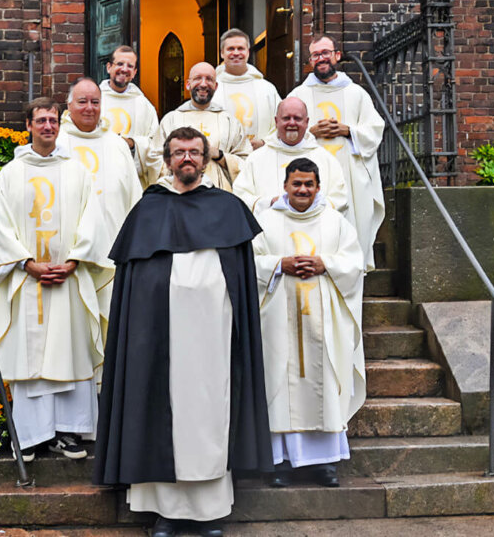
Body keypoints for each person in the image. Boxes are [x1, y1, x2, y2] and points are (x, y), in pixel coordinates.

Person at [94, 127, 271, 537]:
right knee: (158, 406)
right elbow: (134, 284)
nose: (187, 159)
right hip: (157, 334)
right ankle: (166, 512)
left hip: (213, 334)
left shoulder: (228, 208)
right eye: (179, 153)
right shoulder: (147, 210)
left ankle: (208, 511)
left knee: (209, 413)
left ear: (206, 159)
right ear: (168, 160)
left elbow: (242, 281)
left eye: (194, 152)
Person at [0, 98, 113, 462]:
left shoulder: (77, 171)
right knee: (31, 357)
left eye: (53, 120)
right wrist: (25, 263)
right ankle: (33, 436)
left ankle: (68, 434)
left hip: (68, 280)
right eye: (42, 120)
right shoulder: (10, 173)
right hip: (27, 282)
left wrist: (73, 261)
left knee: (70, 352)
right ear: (28, 125)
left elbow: (92, 219)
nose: (49, 126)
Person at [253, 158, 366, 489]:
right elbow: (249, 259)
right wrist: (279, 264)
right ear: (285, 186)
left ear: (319, 187)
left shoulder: (336, 222)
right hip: (276, 319)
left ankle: (325, 463)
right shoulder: (265, 221)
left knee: (324, 382)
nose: (302, 190)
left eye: (309, 184)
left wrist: (324, 264)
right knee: (278, 381)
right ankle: (281, 462)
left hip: (323, 322)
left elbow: (354, 263)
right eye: (296, 184)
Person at [287, 37, 385, 271]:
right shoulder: (298, 95)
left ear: (337, 55)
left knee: (352, 223)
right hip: (312, 175)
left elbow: (374, 129)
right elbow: (283, 133)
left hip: (350, 174)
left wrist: (348, 130)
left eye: (325, 53)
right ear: (310, 61)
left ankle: (351, 273)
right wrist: (311, 131)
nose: (321, 58)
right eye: (315, 55)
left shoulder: (356, 94)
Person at [232, 97, 348, 217]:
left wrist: (309, 206)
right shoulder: (256, 159)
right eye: (286, 118)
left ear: (307, 122)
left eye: (297, 118)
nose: (292, 123)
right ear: (276, 121)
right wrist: (270, 203)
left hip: (313, 231)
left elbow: (340, 199)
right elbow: (240, 196)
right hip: (270, 231)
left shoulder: (326, 159)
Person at [60, 76, 142, 235]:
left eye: (95, 102)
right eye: (82, 102)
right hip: (67, 250)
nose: (89, 108)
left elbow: (134, 196)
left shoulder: (117, 145)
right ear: (69, 104)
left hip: (112, 242)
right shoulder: (56, 144)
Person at [154, 62, 248, 191]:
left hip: (219, 195)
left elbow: (247, 163)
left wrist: (219, 155)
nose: (203, 84)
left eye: (209, 79)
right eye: (198, 78)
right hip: (179, 194)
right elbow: (155, 161)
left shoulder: (229, 121)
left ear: (215, 86)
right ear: (188, 84)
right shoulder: (171, 119)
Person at [97, 45, 162, 187]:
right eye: (119, 64)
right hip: (99, 177)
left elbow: (156, 145)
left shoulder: (144, 105)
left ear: (134, 72)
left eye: (130, 66)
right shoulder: (94, 100)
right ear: (109, 67)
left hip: (133, 180)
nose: (124, 69)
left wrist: (133, 144)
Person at [211, 28, 280, 151]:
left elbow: (282, 123)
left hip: (260, 157)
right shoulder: (212, 89)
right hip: (223, 159)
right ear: (222, 53)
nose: (236, 53)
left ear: (248, 52)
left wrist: (264, 142)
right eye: (231, 49)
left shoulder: (266, 88)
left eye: (240, 48)